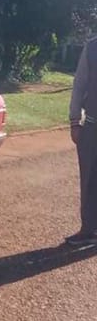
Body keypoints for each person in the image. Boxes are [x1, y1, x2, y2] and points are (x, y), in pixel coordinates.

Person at [67, 34, 97, 244]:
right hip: (92, 126)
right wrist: (75, 121)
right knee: (89, 180)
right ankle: (89, 230)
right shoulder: (92, 48)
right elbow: (79, 85)